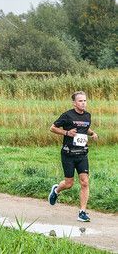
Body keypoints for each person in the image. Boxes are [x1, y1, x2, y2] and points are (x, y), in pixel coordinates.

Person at [48, 91, 98, 222]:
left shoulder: (87, 115)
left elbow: (85, 128)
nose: (83, 103)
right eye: (80, 101)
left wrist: (92, 133)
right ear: (74, 103)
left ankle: (82, 212)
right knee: (69, 184)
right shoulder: (67, 115)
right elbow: (52, 128)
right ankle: (56, 190)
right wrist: (66, 132)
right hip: (68, 154)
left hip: (82, 154)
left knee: (85, 182)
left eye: (85, 101)